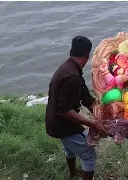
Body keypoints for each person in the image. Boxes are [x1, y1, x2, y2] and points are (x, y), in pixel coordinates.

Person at [45, 36, 108, 180]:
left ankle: (73, 174)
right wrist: (92, 123)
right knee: (89, 155)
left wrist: (101, 115)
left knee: (69, 148)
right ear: (87, 55)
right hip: (62, 123)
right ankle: (75, 173)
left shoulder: (69, 68)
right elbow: (65, 110)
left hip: (54, 120)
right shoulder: (72, 76)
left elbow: (87, 99)